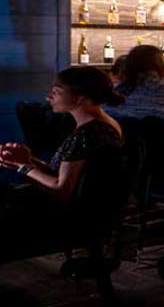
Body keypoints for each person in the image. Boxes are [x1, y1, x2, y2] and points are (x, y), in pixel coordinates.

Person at [1, 67, 124, 258]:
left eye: (57, 91)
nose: (48, 96)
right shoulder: (105, 124)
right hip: (90, 212)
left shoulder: (86, 134)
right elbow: (65, 173)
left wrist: (23, 167)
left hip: (72, 218)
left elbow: (61, 189)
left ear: (81, 97)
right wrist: (27, 159)